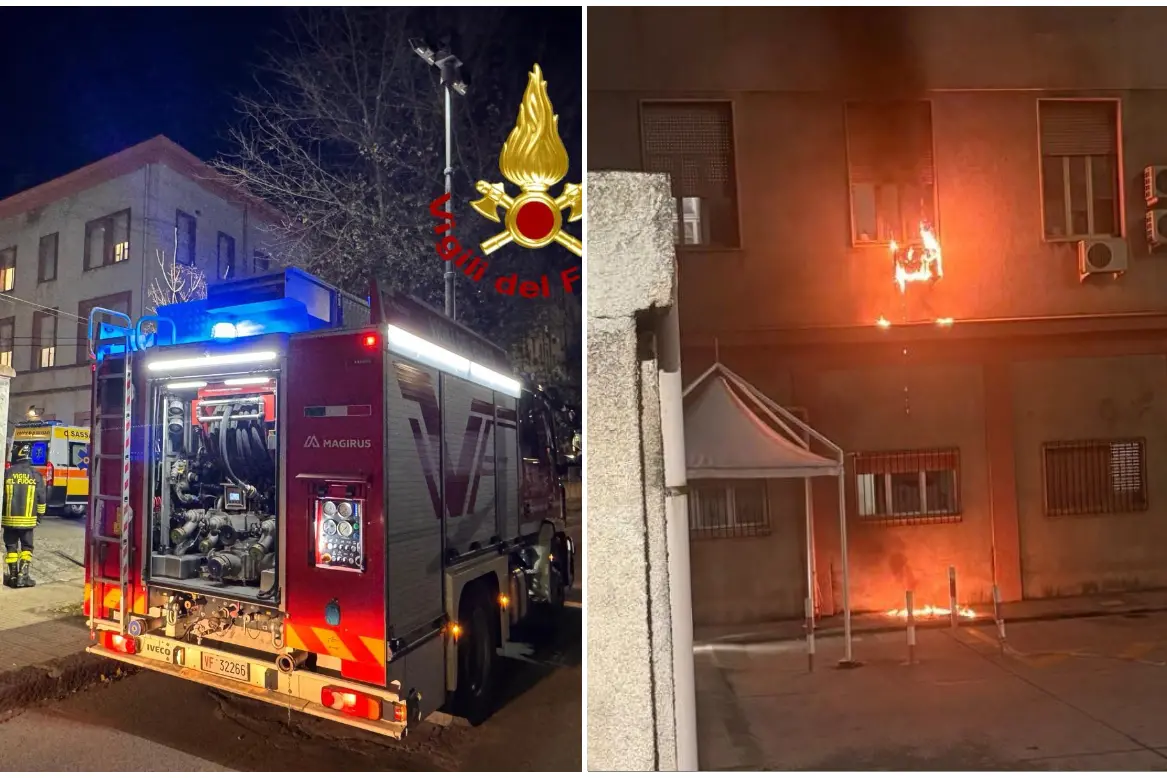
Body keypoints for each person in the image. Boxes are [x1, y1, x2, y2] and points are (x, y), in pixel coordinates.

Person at [3, 443, 46, 588]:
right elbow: (42, 499)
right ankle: (23, 576)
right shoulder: (36, 475)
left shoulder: (7, 473)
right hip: (28, 520)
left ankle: (13, 576)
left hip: (8, 519)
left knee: (11, 547)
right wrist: (39, 517)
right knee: (27, 547)